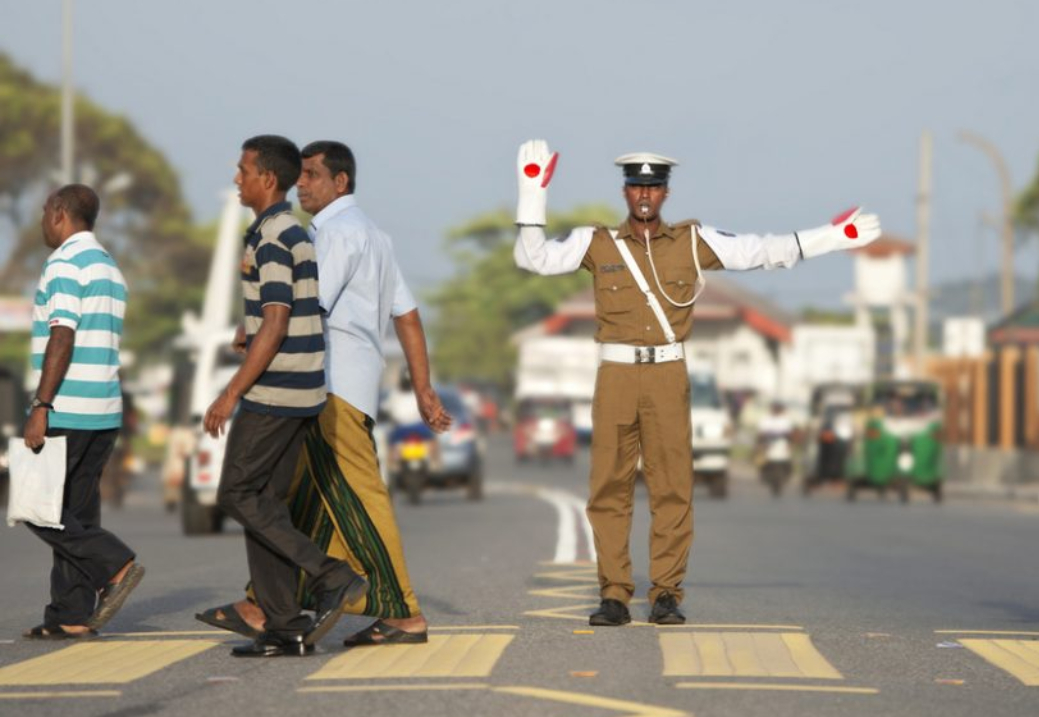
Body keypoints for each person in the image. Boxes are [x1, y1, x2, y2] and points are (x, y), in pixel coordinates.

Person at [512, 140, 882, 626]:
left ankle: (665, 593)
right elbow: (532, 258)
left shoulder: (692, 241)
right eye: (637, 186)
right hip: (617, 374)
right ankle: (615, 595)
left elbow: (761, 251)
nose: (645, 195)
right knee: (609, 487)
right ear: (625, 192)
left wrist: (831, 237)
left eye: (654, 186)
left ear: (666, 194)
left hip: (668, 372)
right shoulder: (595, 241)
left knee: (672, 488)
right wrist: (531, 191)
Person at [197, 140, 451, 647]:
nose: (302, 184)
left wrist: (246, 343)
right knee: (292, 498)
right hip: (351, 384)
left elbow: (293, 307)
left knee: (357, 498)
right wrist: (421, 387)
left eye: (313, 175)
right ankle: (267, 605)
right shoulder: (374, 235)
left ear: (342, 183)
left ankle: (402, 612)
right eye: (302, 175)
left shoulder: (330, 235)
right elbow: (407, 314)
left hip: (326, 383)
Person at [205, 135, 366, 658]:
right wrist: (246, 326)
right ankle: (285, 624)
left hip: (276, 392)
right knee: (264, 503)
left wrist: (230, 393)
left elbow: (276, 322)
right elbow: (285, 309)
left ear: (265, 179)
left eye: (243, 169)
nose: (237, 178)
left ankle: (330, 574)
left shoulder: (274, 235)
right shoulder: (290, 232)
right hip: (302, 388)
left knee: (235, 494)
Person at [20, 184, 144, 640]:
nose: (39, 223)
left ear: (58, 213)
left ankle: (116, 563)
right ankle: (70, 615)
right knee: (75, 511)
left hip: (67, 406)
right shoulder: (109, 267)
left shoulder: (65, 263)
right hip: (104, 408)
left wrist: (41, 404)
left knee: (34, 505)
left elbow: (63, 335)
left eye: (42, 213)